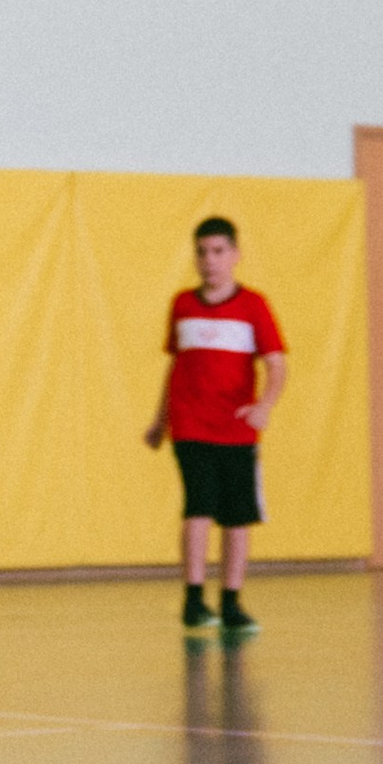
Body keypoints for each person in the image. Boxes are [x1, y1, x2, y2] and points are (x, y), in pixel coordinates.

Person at [145, 216, 285, 640]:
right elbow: (177, 365)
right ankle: (193, 598)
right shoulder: (183, 305)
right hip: (191, 425)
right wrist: (161, 420)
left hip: (236, 427)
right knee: (199, 506)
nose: (210, 260)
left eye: (219, 251)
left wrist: (264, 405)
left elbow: (276, 364)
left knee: (237, 517)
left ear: (235, 255)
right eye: (202, 252)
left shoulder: (253, 306)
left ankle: (230, 600)